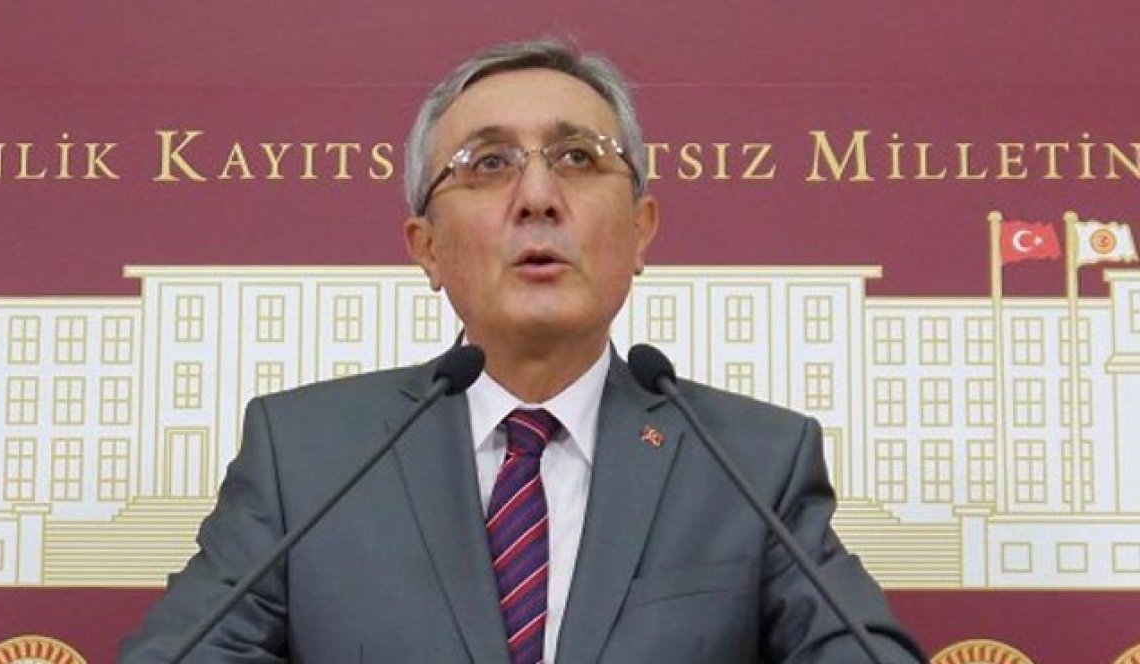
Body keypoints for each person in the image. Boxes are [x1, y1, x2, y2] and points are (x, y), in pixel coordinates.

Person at [121, 39, 924, 663]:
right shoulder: (307, 457)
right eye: (489, 164)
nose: (538, 197)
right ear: (426, 247)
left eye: (579, 158)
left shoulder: (751, 461)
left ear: (640, 231)